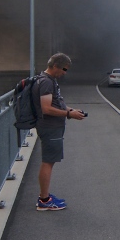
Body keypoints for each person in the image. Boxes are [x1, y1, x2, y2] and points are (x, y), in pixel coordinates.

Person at [35, 53, 86, 211]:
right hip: (50, 127)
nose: (65, 72)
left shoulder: (49, 80)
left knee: (49, 161)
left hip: (52, 127)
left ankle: (45, 196)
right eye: (64, 69)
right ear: (55, 66)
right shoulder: (46, 82)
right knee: (48, 162)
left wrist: (71, 110)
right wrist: (69, 114)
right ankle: (44, 200)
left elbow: (56, 103)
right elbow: (46, 108)